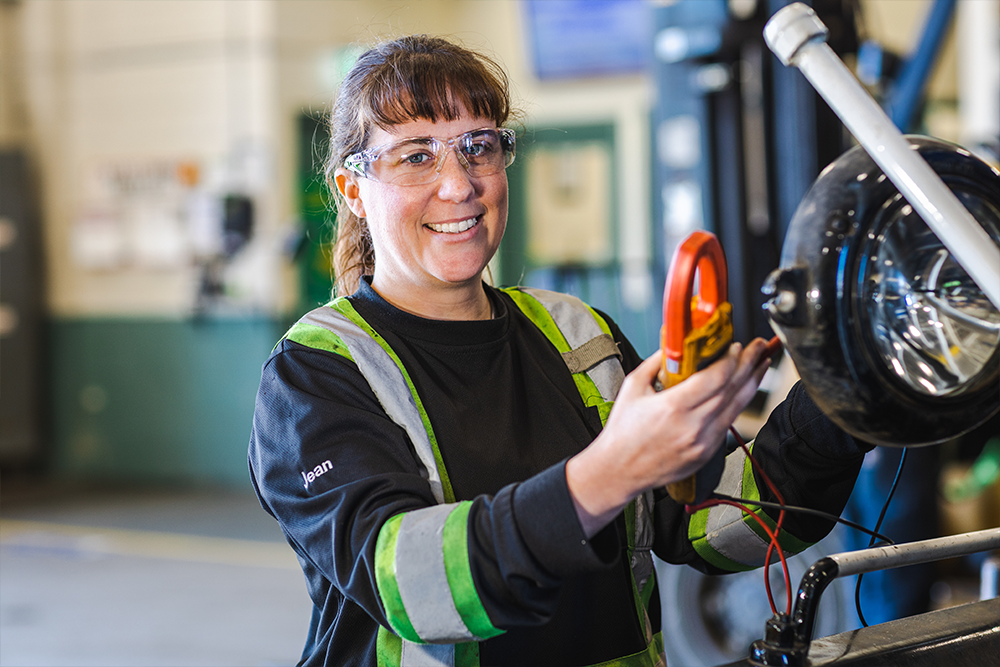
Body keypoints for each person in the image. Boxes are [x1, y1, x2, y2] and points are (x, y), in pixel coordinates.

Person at [248, 35, 870, 667]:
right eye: (416, 156)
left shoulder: (576, 330)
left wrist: (849, 396)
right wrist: (612, 471)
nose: (459, 185)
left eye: (478, 147)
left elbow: (708, 521)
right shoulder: (316, 373)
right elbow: (408, 587)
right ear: (352, 189)